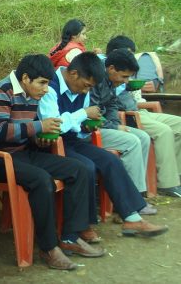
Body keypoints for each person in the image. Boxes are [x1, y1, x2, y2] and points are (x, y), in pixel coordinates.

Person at [0, 55, 103, 270]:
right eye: (42, 83)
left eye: (47, 83)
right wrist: (39, 127)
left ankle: (70, 237)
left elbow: (27, 130)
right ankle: (49, 248)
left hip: (21, 153)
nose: (46, 89)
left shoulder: (32, 93)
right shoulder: (1, 90)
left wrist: (40, 139)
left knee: (79, 169)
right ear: (26, 78)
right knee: (41, 180)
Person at [39, 52, 168, 237]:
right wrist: (84, 114)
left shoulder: (82, 89)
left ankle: (132, 218)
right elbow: (54, 125)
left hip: (72, 140)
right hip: (50, 144)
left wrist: (87, 127)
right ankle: (83, 226)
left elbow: (77, 127)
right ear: (73, 74)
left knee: (110, 160)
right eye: (86, 85)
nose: (86, 91)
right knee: (87, 167)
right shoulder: (49, 87)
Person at [107, 35, 181, 197]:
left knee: (179, 124)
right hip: (128, 115)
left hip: (139, 110)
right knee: (164, 131)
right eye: (127, 53)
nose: (131, 57)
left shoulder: (124, 72)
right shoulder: (108, 74)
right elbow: (111, 104)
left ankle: (176, 174)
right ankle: (168, 183)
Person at [90, 49, 154, 214]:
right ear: (111, 68)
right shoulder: (94, 79)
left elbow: (112, 105)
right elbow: (91, 112)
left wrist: (116, 124)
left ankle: (137, 195)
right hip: (92, 129)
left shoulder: (111, 81)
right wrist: (113, 126)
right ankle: (131, 202)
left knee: (143, 137)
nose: (126, 82)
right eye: (124, 76)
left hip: (106, 126)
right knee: (132, 141)